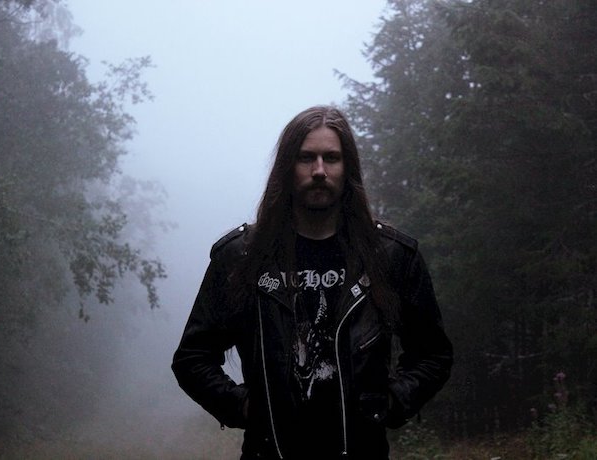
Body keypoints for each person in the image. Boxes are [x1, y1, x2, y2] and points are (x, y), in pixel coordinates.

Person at [172, 106, 453, 459]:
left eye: (331, 158)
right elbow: (192, 358)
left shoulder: (390, 256)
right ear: (287, 167)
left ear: (347, 167)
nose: (319, 170)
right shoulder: (242, 257)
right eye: (306, 158)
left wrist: (392, 403)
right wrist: (242, 407)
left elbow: (433, 354)